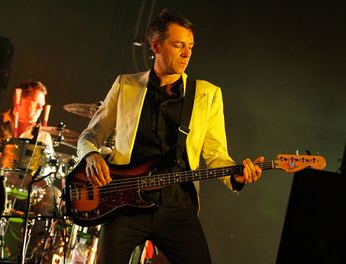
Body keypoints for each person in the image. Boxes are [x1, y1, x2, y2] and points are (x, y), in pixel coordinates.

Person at [77, 10, 264, 264]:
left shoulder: (207, 95)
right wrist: (91, 155)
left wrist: (236, 175)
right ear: (155, 46)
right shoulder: (126, 85)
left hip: (178, 205)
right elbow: (90, 134)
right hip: (125, 204)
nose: (187, 53)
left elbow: (216, 155)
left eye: (190, 46)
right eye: (178, 45)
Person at [0, 79, 59, 262]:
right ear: (19, 100)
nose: (39, 108)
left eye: (42, 105)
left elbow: (46, 170)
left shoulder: (43, 135)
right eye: (35, 103)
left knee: (54, 199)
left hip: (28, 192)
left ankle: (28, 256)